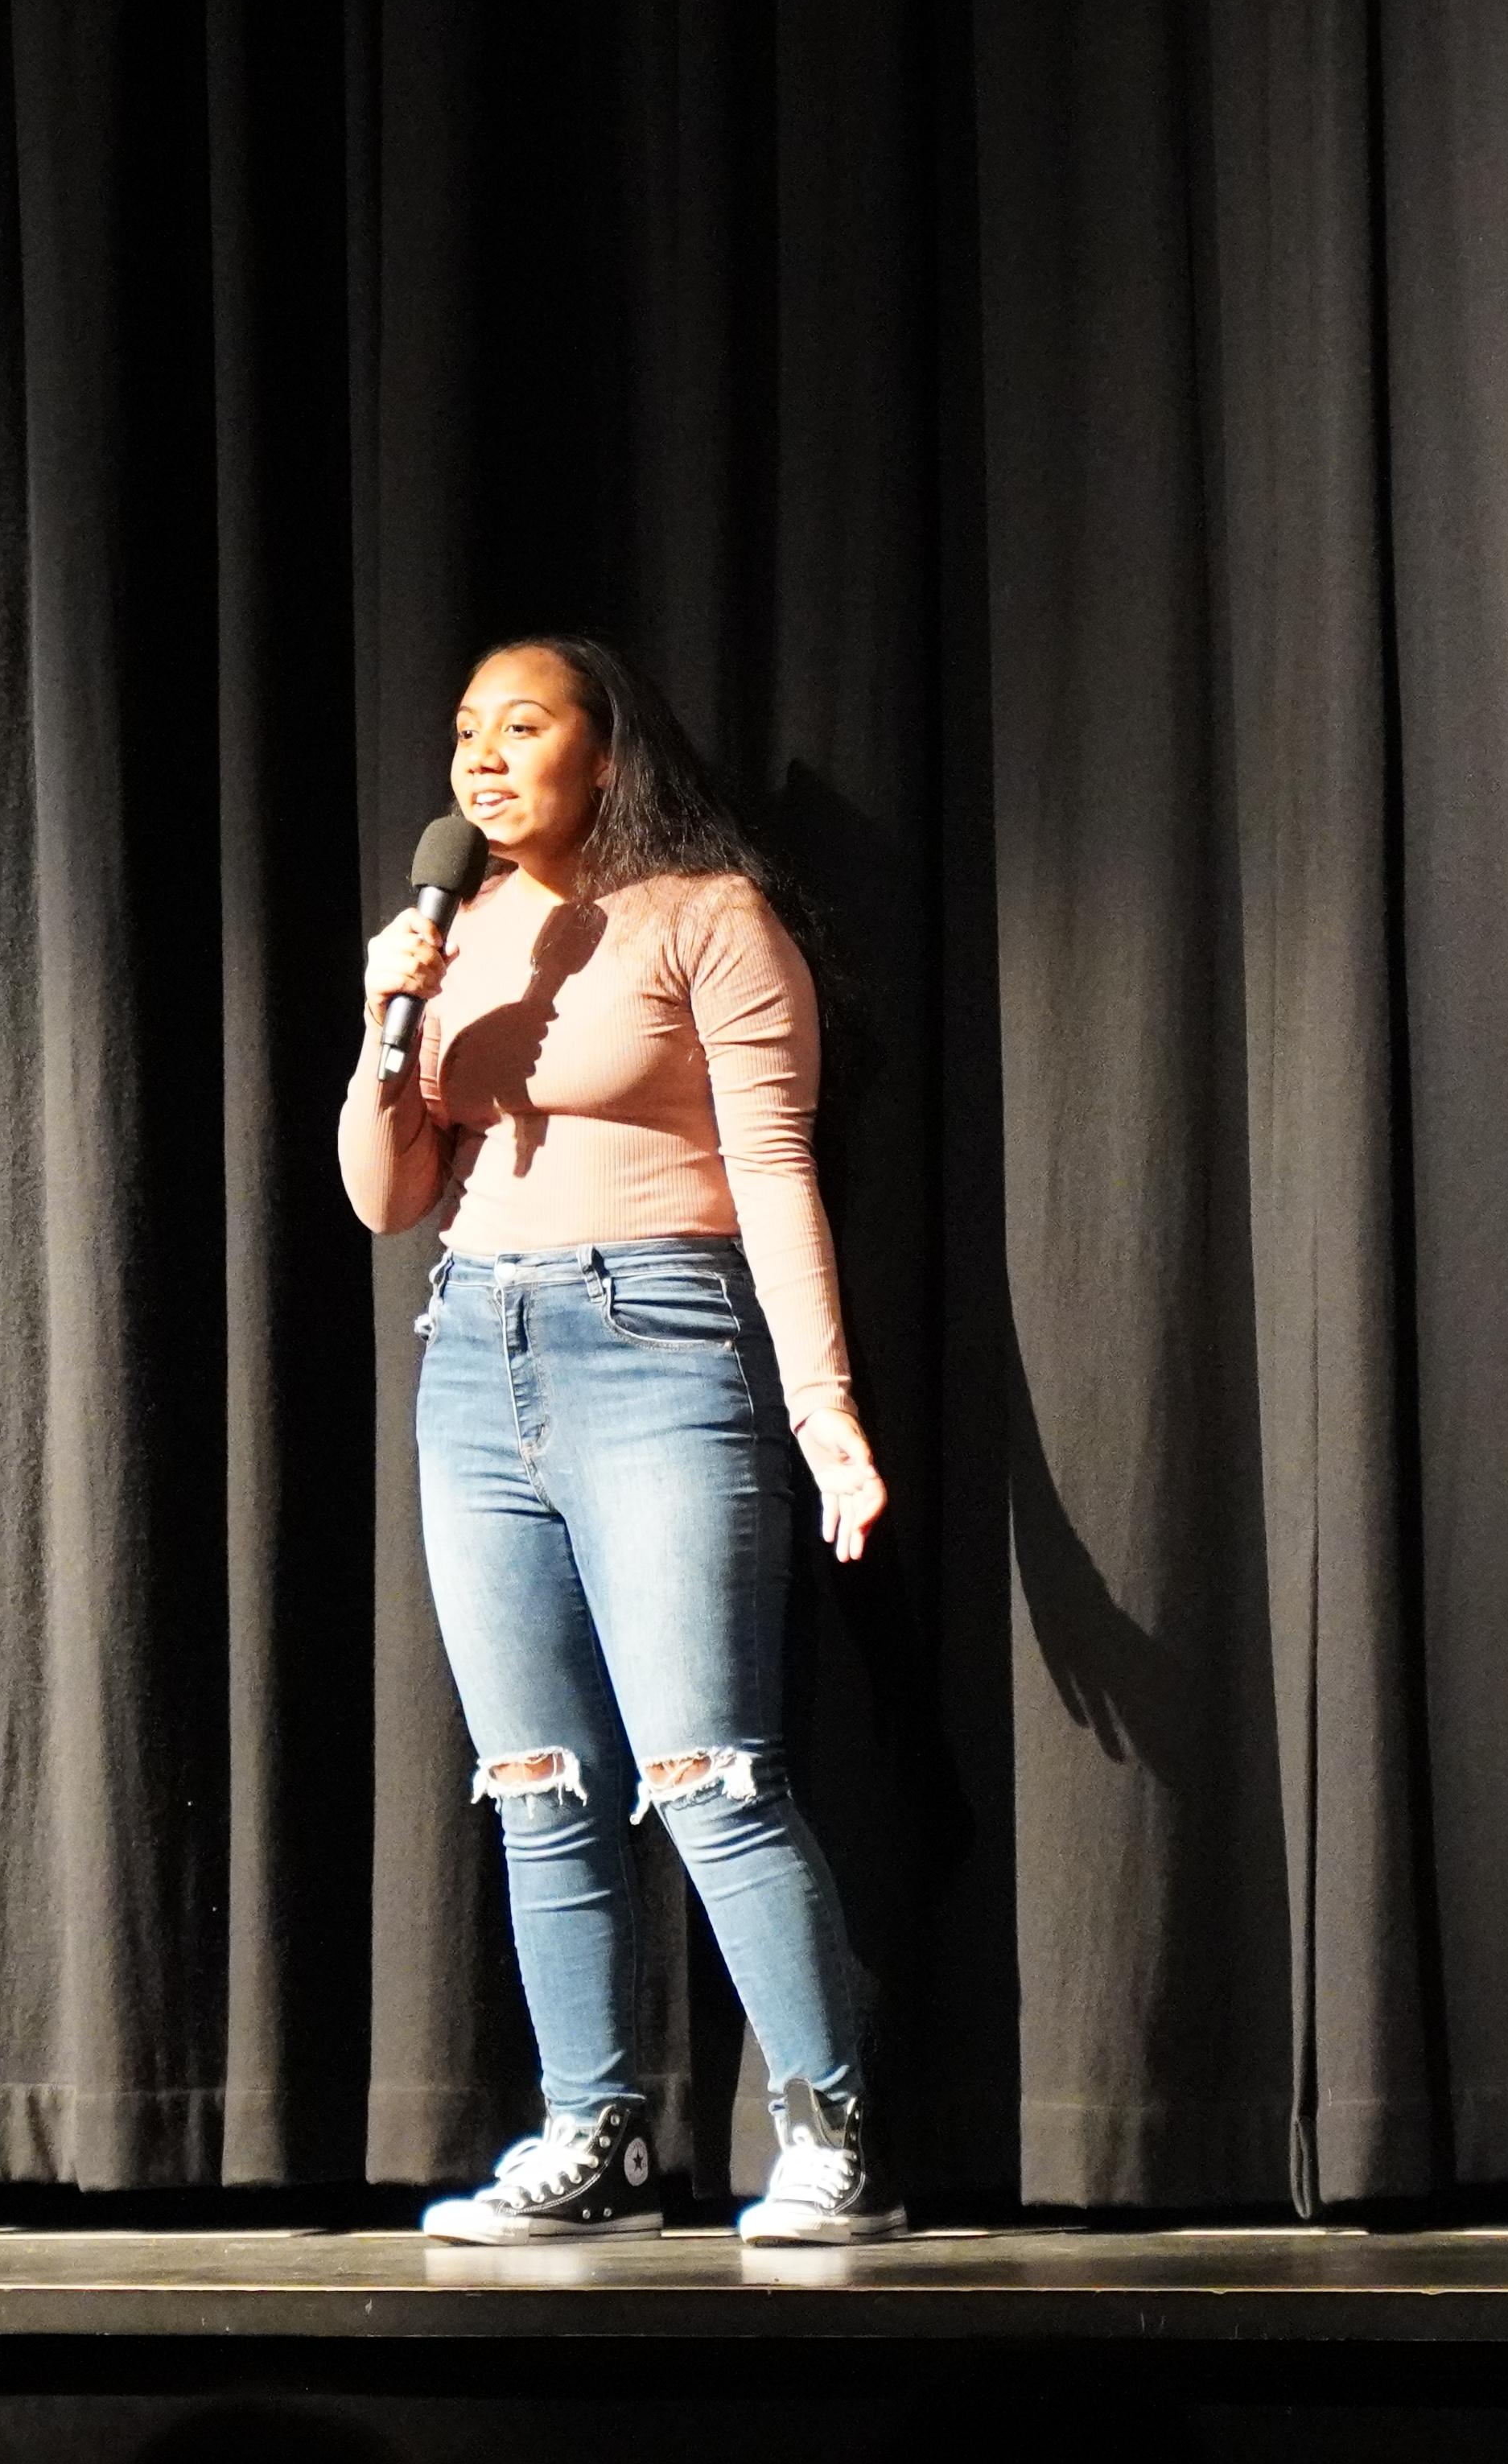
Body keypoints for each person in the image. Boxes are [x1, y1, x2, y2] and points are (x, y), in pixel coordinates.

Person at [340, 633, 903, 2248]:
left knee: (706, 1767)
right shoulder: (455, 939)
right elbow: (386, 1195)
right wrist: (387, 1023)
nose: (481, 756)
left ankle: (832, 2133)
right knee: (536, 1780)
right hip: (474, 1352)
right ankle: (594, 2134)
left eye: (522, 726)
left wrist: (824, 1407)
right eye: (466, 729)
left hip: (658, 1339)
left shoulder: (707, 917)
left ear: (608, 752)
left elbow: (776, 1171)